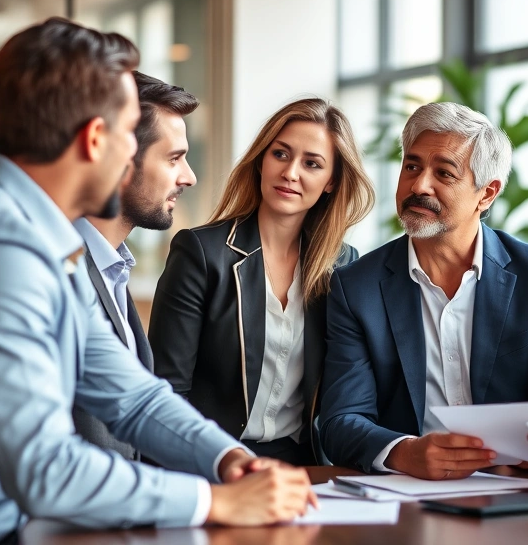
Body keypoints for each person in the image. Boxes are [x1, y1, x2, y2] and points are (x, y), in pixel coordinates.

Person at [0, 18, 314, 545]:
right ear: (95, 139)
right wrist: (214, 501)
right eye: (132, 133)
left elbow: (131, 397)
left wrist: (230, 461)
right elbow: (46, 470)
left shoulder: (35, 237)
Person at [320, 101, 528, 479]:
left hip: (518, 487)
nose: (419, 185)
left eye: (444, 173)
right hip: (407, 491)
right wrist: (405, 452)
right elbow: (341, 421)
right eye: (411, 166)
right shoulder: (356, 286)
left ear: (487, 194)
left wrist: (526, 455)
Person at [150, 98, 375, 466]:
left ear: (332, 181)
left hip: (303, 465)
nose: (290, 173)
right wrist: (218, 463)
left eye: (312, 163)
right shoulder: (202, 253)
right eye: (281, 154)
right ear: (261, 160)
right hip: (210, 459)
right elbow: (167, 391)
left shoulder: (343, 266)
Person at [73, 71, 199, 460]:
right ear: (121, 161)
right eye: (174, 158)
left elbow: (140, 405)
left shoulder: (111, 267)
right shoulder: (62, 270)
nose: (189, 177)